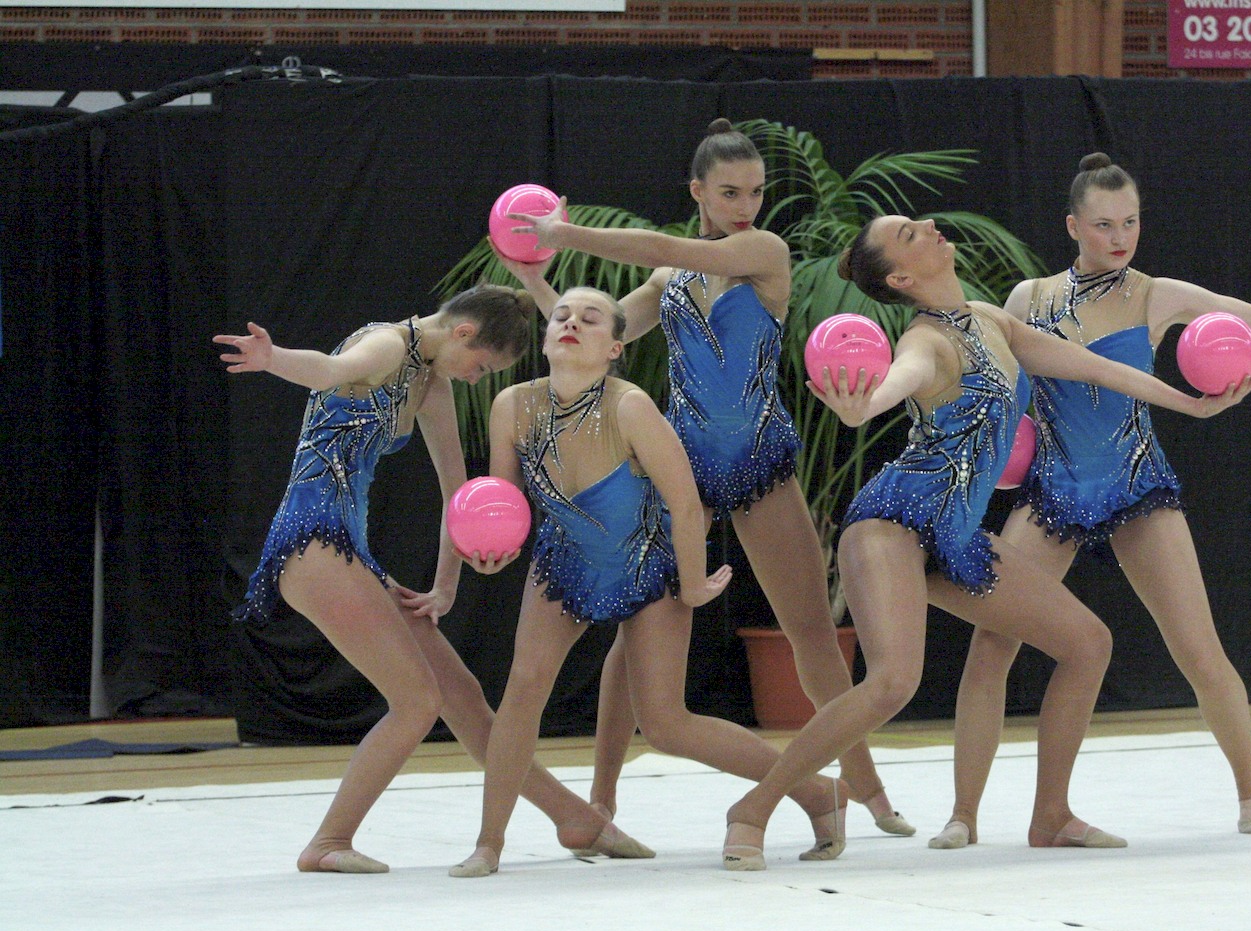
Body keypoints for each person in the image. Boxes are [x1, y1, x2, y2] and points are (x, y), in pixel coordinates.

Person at [716, 214, 1251, 869]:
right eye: (909, 234)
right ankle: (755, 807)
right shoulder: (926, 341)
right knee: (892, 682)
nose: (928, 226)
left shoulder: (992, 321)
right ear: (901, 278)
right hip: (893, 521)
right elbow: (900, 378)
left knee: (1088, 644)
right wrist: (865, 405)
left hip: (954, 537)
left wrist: (1190, 404)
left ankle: (1051, 815)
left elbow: (1092, 368)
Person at [931, 153, 1251, 850]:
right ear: (1073, 226)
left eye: (1130, 222)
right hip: (1054, 491)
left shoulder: (1156, 295)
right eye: (1103, 225)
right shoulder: (1027, 299)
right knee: (992, 642)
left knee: (1199, 649)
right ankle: (963, 815)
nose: (1119, 237)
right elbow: (1001, 389)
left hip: (1137, 486)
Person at [506, 118, 914, 837]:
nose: (746, 206)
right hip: (678, 472)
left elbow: (667, 247)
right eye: (729, 193)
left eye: (755, 191)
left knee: (811, 633)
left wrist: (566, 235)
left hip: (757, 463)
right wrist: (541, 283)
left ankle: (867, 789)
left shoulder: (764, 252)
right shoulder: (668, 283)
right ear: (697, 190)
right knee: (632, 641)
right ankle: (603, 800)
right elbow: (600, 337)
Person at [221, 284, 650, 873]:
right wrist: (274, 359)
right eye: (482, 366)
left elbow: (458, 495)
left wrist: (446, 587)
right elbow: (329, 370)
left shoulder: (431, 382)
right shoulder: (386, 345)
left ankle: (574, 818)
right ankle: (328, 842)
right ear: (463, 333)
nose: (477, 379)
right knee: (417, 701)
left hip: (346, 549)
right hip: (312, 541)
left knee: (461, 695)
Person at [449, 287, 844, 877]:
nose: (571, 323)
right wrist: (492, 551)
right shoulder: (512, 405)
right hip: (566, 560)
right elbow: (507, 503)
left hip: (648, 560)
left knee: (665, 724)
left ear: (614, 348)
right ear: (546, 337)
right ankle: (489, 844)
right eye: (561, 316)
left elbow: (684, 503)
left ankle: (815, 792)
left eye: (590, 319)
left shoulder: (630, 406)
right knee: (522, 690)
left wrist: (693, 581)